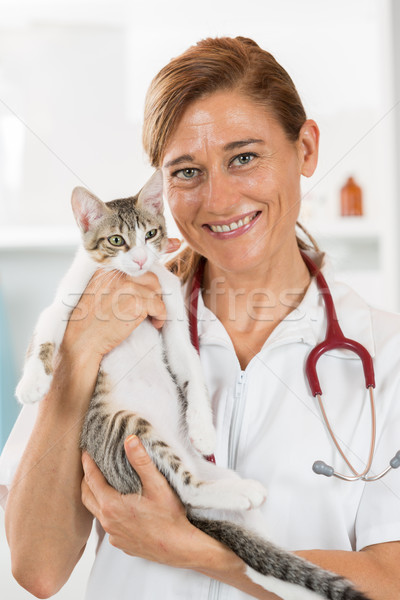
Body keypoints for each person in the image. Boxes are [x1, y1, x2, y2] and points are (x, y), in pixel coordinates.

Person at [1, 36, 400, 600]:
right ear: (160, 190)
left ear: (306, 149)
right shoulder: (99, 321)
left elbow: (390, 582)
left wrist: (190, 549)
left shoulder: (386, 355)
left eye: (244, 157)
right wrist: (77, 358)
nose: (217, 198)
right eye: (186, 172)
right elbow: (37, 568)